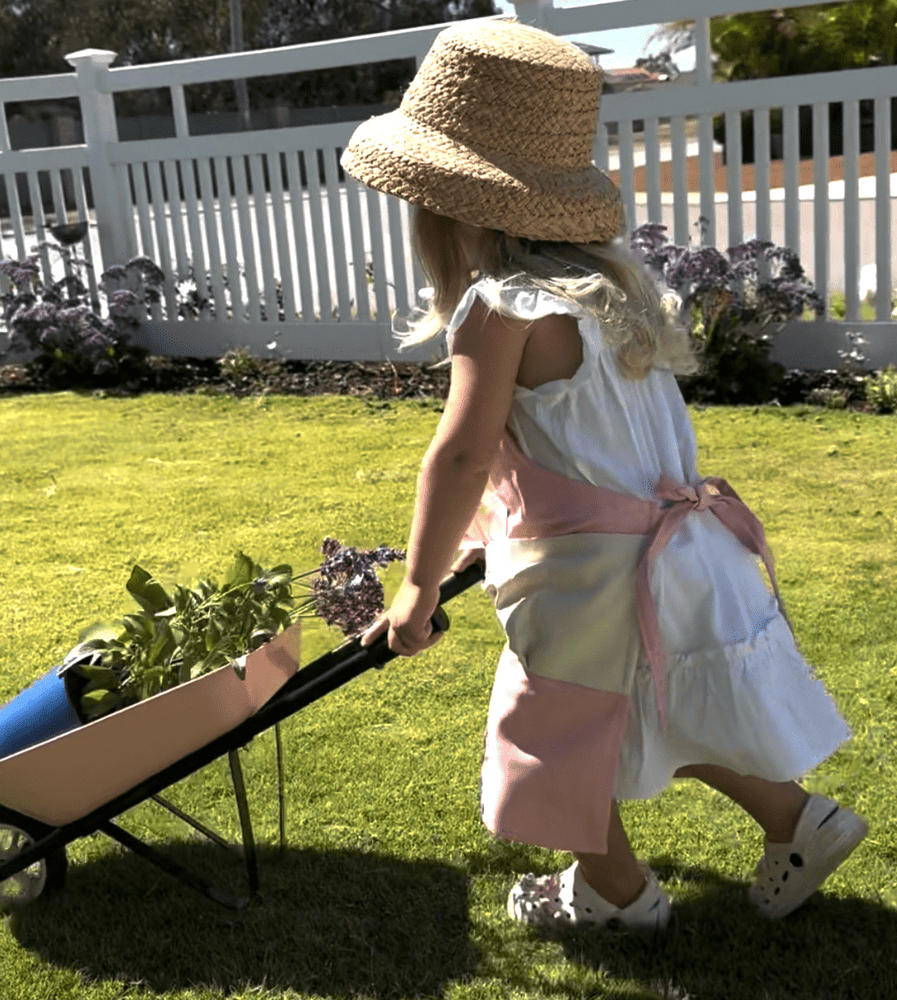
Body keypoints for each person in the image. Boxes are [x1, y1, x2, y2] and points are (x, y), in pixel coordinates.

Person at [349, 18, 867, 932]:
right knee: (653, 709)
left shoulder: (497, 307)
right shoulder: (616, 292)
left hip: (585, 577)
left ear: (451, 208)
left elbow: (465, 454)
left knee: (550, 732)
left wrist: (418, 587)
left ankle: (617, 898)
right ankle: (798, 821)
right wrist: (478, 542)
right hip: (675, 548)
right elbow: (583, 445)